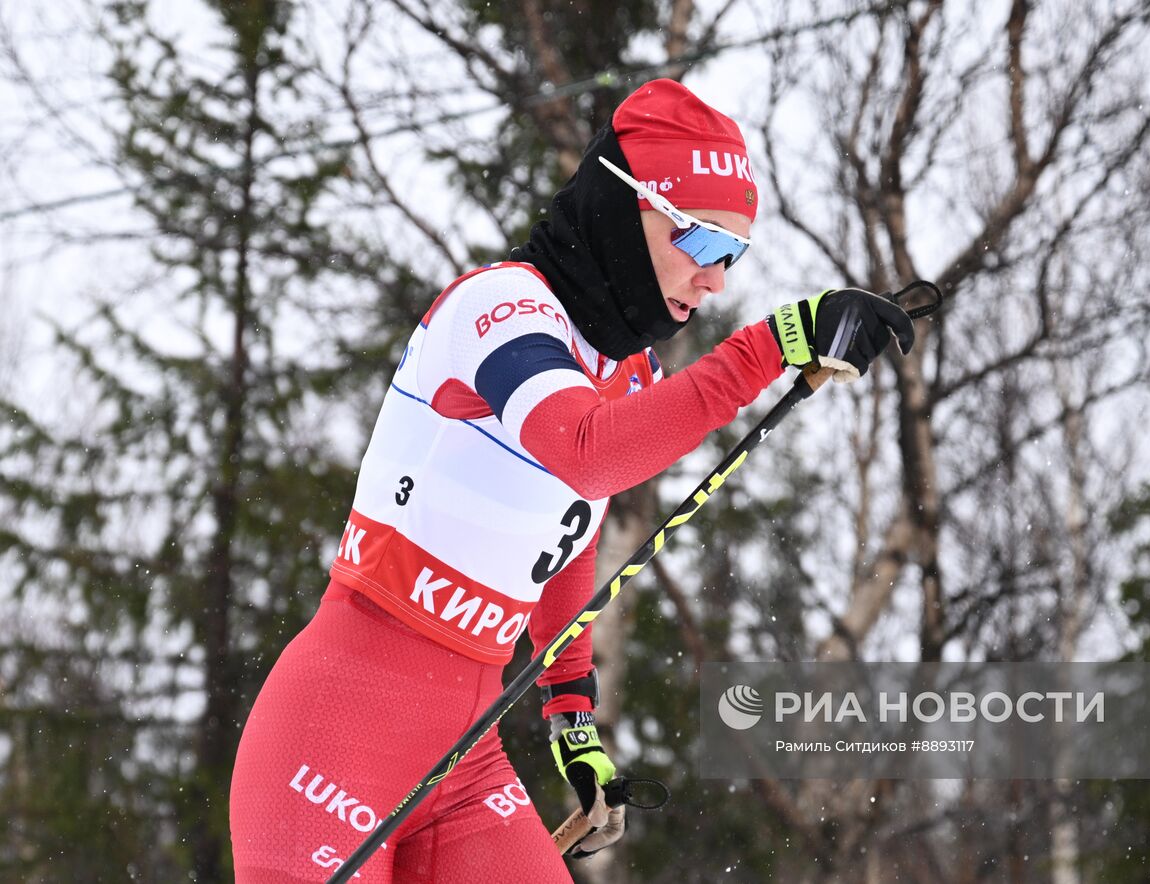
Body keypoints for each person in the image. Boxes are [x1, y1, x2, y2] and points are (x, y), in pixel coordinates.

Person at [228, 78, 913, 882]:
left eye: (733, 255)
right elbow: (586, 452)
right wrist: (771, 347)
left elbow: (568, 533)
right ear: (624, 210)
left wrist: (570, 711)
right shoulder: (500, 308)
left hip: (464, 756)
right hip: (337, 732)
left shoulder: (622, 369)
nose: (715, 278)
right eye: (698, 241)